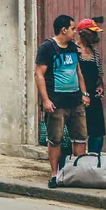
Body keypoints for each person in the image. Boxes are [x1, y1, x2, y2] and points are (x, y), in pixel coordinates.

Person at [35, 14, 90, 186]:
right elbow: (39, 74)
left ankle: (78, 174)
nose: (75, 32)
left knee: (80, 137)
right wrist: (45, 100)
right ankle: (55, 175)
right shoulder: (47, 48)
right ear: (64, 30)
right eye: (73, 28)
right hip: (56, 102)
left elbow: (78, 72)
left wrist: (85, 94)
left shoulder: (73, 47)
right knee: (55, 139)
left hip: (76, 101)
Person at [75, 18, 106, 153]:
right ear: (83, 33)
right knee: (79, 131)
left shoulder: (95, 52)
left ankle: (94, 159)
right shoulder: (73, 50)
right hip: (77, 97)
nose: (95, 36)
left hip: (93, 97)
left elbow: (99, 73)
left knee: (97, 132)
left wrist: (100, 86)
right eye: (92, 33)